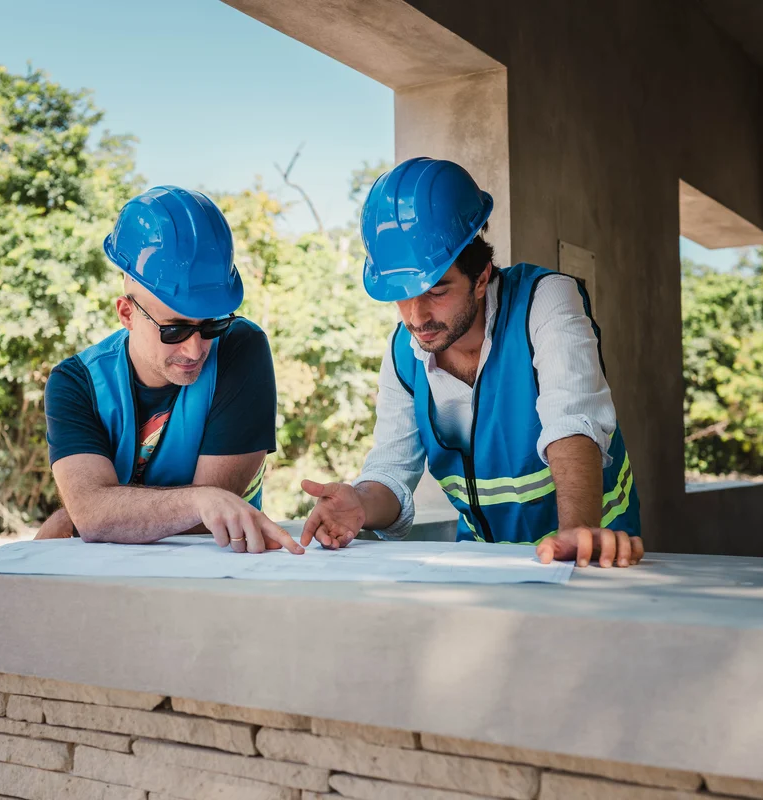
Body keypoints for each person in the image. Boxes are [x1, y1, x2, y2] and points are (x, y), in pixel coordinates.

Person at [300, 157, 642, 568]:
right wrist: (359, 502)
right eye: (402, 295)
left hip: (589, 552)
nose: (416, 316)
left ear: (481, 277)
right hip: (487, 562)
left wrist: (577, 531)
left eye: (437, 291)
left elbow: (572, 422)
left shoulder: (546, 300)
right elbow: (391, 470)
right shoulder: (402, 353)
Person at [36, 186, 303, 555]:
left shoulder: (241, 348)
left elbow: (207, 520)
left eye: (211, 325)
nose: (195, 349)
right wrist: (199, 501)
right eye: (174, 329)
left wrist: (105, 512)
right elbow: (93, 515)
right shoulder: (74, 383)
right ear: (126, 313)